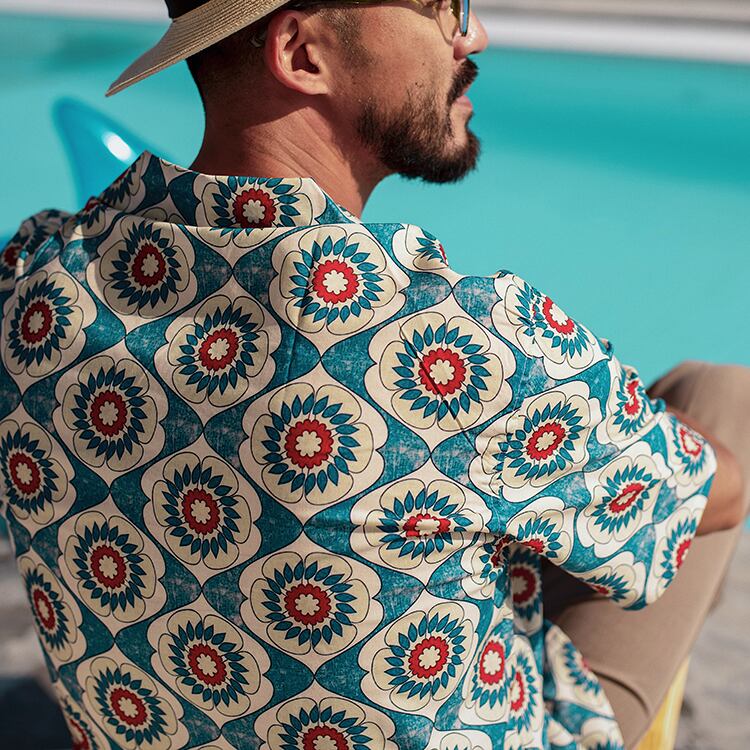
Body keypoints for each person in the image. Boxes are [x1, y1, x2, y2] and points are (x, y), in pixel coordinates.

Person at [0, 0, 747, 747]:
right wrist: (604, 413)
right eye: (440, 6)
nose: (473, 35)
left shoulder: (35, 281)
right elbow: (716, 494)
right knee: (718, 394)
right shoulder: (456, 343)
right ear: (302, 54)